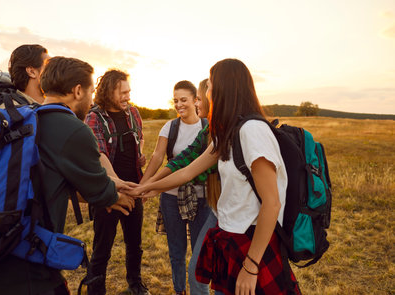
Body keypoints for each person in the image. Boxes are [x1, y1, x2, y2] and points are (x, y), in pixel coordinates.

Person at [129, 59, 301, 295]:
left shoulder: (253, 131)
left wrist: (251, 267)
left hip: (254, 241)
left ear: (225, 89)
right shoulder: (228, 133)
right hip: (231, 237)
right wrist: (145, 188)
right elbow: (188, 170)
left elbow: (272, 203)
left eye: (209, 86)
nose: (206, 93)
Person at [0, 56, 134, 295]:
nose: (91, 99)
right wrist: (123, 196)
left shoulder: (24, 119)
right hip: (25, 272)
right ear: (77, 91)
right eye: (90, 92)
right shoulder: (74, 128)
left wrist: (112, 184)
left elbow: (66, 180)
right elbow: (97, 190)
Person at [143, 79, 217, 295]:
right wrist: (145, 185)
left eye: (183, 100)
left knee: (198, 252)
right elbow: (159, 157)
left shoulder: (207, 127)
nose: (179, 104)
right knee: (176, 251)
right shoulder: (171, 126)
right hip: (171, 197)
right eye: (176, 100)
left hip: (201, 198)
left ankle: (198, 289)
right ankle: (179, 290)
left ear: (196, 100)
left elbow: (189, 165)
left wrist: (148, 187)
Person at [84, 69, 149, 295]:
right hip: (108, 191)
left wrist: (139, 155)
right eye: (122, 92)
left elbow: (139, 138)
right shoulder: (94, 117)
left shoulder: (133, 113)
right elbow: (99, 155)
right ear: (109, 90)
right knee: (102, 247)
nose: (127, 97)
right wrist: (118, 186)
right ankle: (96, 289)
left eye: (129, 92)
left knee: (135, 244)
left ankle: (135, 284)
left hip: (134, 189)